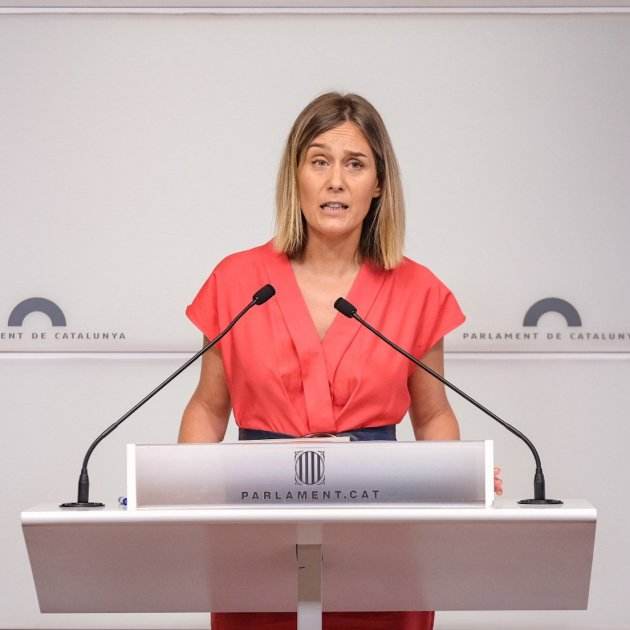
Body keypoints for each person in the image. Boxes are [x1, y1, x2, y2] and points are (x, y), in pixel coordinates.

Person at [179, 92, 502, 629]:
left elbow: (432, 414)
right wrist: (181, 497)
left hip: (381, 530)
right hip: (257, 527)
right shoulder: (237, 281)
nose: (335, 181)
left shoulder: (417, 290)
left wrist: (453, 480)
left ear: (378, 184)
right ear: (295, 177)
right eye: (319, 161)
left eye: (355, 164)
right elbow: (209, 408)